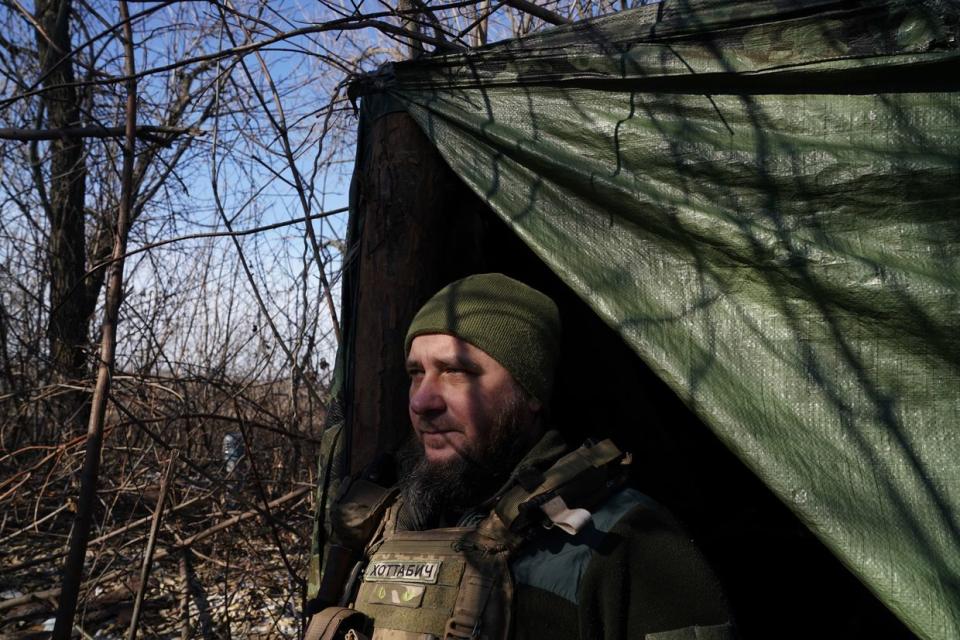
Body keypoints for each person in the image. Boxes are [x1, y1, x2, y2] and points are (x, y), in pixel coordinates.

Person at [308, 273, 733, 640]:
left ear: (529, 393)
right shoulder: (375, 525)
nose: (421, 401)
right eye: (415, 373)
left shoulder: (625, 540)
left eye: (456, 371)